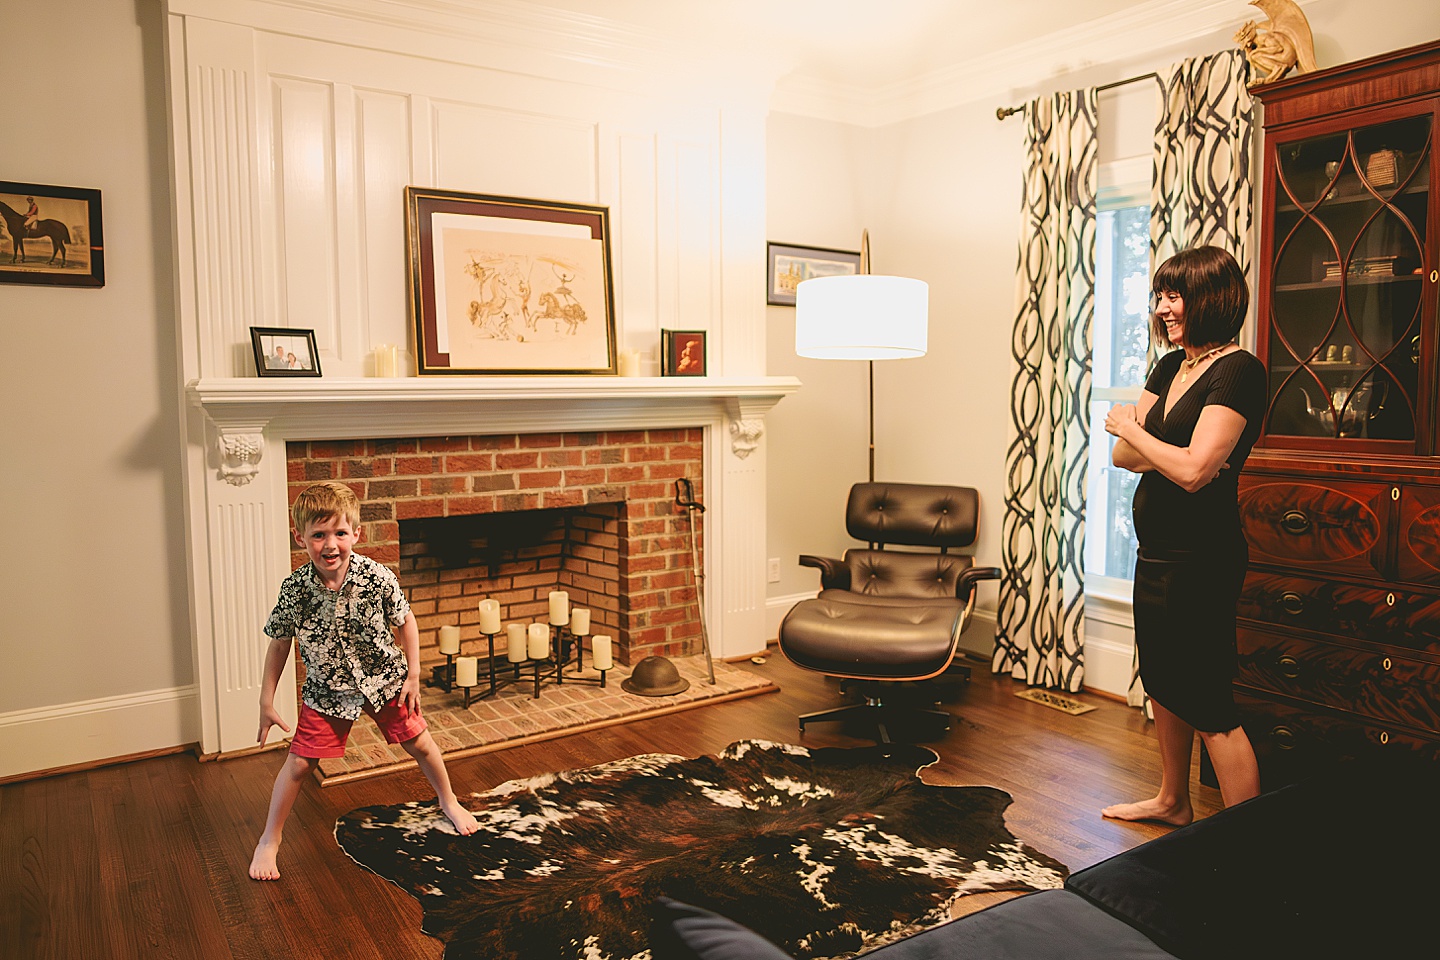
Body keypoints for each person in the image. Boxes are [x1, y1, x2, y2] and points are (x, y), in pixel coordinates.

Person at [1101, 245, 1267, 825]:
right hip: (1157, 551)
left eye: (1175, 295)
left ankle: (1245, 836)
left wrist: (1133, 426)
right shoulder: (1169, 367)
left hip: (1204, 556)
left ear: (1210, 298)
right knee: (1164, 682)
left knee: (1207, 697)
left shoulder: (1239, 370)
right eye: (1161, 296)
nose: (1163, 308)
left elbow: (1196, 473)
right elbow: (1125, 455)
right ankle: (1173, 801)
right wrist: (1153, 446)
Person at [249, 481, 478, 880]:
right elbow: (280, 644)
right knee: (300, 764)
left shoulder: (376, 577)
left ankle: (449, 800)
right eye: (318, 535)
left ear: (356, 533)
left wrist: (413, 675)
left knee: (421, 743)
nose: (330, 544)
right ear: (299, 537)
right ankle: (270, 839)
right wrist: (266, 700)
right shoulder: (295, 591)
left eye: (340, 532)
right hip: (327, 690)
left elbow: (406, 620)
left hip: (385, 681)